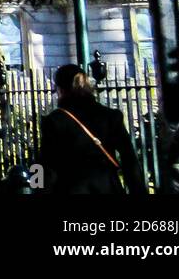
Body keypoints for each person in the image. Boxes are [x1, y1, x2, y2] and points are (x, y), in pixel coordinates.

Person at [39, 64, 146, 195]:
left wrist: (36, 187)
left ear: (60, 89)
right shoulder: (111, 117)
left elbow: (44, 165)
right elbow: (130, 160)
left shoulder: (54, 121)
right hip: (108, 188)